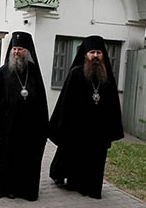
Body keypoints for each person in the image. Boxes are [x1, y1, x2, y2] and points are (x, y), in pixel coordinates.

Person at [48, 35, 124, 199]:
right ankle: (76, 184)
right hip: (78, 127)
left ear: (103, 55)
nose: (95, 56)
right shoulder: (76, 73)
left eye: (98, 52)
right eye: (92, 52)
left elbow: (112, 105)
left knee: (96, 160)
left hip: (99, 130)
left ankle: (93, 187)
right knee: (78, 157)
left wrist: (111, 127)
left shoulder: (107, 76)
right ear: (85, 54)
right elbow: (66, 102)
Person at [0, 31, 48, 201]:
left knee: (28, 160)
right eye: (14, 48)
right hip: (9, 126)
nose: (16, 52)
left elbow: (41, 100)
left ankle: (26, 190)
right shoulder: (4, 71)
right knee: (9, 158)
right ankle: (8, 189)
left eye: (20, 49)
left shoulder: (34, 71)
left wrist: (44, 126)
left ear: (27, 51)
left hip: (30, 127)